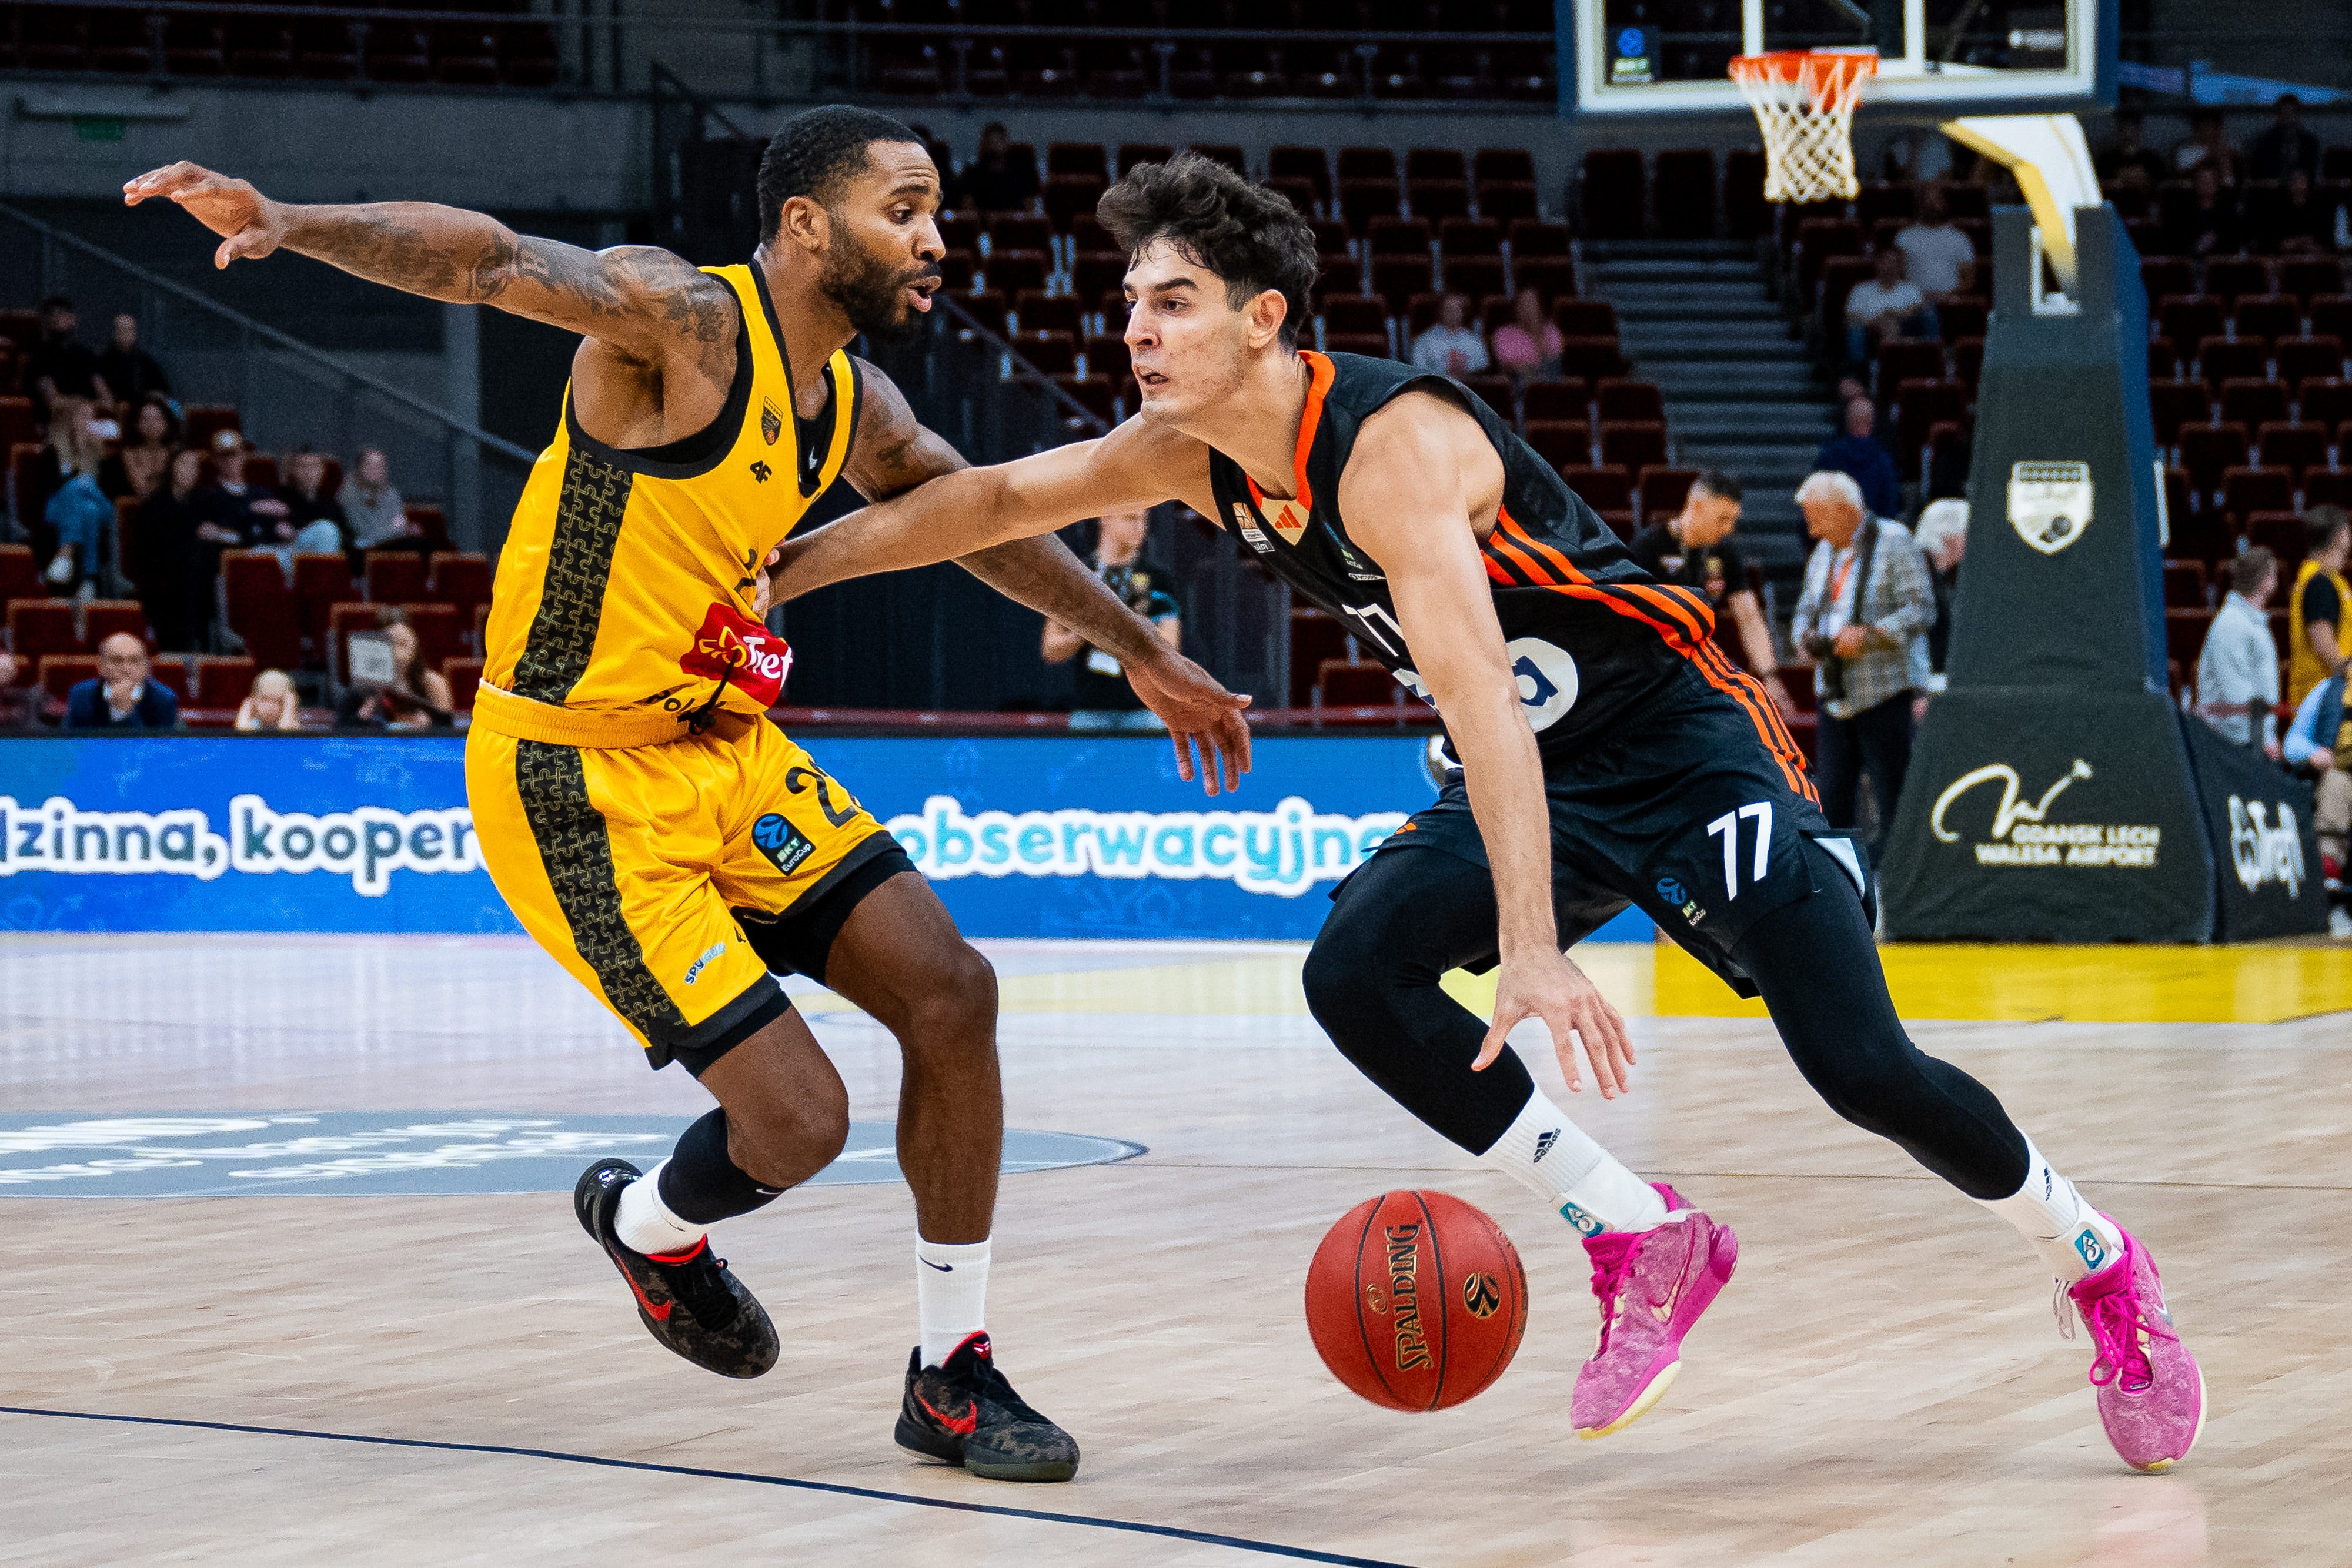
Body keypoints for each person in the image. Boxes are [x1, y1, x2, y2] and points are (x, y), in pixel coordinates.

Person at [767, 151, 2204, 1474]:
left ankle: (2098, 1265)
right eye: (1133, 300)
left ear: (1263, 319)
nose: (1136, 329)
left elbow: (1482, 711)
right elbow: (983, 504)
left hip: (1679, 748)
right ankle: (1636, 1232)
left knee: (1860, 1066)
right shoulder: (1184, 452)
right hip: (1534, 768)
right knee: (1354, 971)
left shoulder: (1391, 447)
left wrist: (1528, 944)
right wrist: (784, 570)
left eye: (1174, 301)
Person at [129, 106, 1248, 1484]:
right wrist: (289, 223)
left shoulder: (854, 404)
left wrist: (1140, 648)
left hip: (723, 746)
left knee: (953, 993)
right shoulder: (685, 324)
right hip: (573, 777)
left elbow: (979, 514)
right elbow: (488, 260)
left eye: (935, 214)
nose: (934, 242)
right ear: (805, 226)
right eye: (902, 211)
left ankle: (949, 1374)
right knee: (800, 1125)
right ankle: (649, 1229)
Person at [1789, 470, 1932, 864]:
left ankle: (1900, 882)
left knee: (1893, 796)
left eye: (1816, 517)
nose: (1812, 529)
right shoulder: (1824, 552)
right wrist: (1804, 639)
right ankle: (1840, 880)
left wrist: (1870, 634)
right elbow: (1803, 612)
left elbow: (1922, 610)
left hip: (1883, 693)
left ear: (1844, 511)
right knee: (1832, 797)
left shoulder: (1895, 540)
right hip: (1834, 694)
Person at [1626, 470, 1797, 721]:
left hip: (1697, 669)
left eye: (1733, 521)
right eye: (1722, 519)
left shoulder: (1725, 552)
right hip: (1652, 672)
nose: (1728, 529)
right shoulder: (1649, 546)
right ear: (1697, 506)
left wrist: (1770, 676)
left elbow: (1749, 616)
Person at [1041, 510, 1181, 730]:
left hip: (1144, 710)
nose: (1139, 527)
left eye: (1143, 520)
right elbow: (1051, 649)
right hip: (1091, 709)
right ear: (1105, 518)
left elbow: (1172, 648)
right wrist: (1087, 629)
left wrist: (1138, 627)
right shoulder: (1076, 574)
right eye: (1129, 518)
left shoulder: (1157, 578)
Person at [2196, 547, 2282, 754]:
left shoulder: (2251, 622)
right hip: (2236, 745)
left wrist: (2267, 736)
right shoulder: (2232, 624)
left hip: (2251, 741)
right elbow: (2235, 691)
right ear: (2265, 581)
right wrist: (2263, 740)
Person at [138, 447, 215, 652]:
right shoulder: (155, 504)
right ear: (172, 467)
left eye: (194, 466)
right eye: (184, 464)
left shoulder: (203, 503)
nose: (190, 470)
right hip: (161, 571)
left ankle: (198, 641)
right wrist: (193, 534)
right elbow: (153, 545)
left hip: (194, 576)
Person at [2280, 667, 2348, 893]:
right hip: (2339, 776)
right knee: (2336, 783)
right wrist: (2315, 753)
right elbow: (2292, 744)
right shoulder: (2329, 689)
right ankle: (2329, 867)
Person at [40, 401, 113, 594]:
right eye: (82, 415)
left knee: (85, 487)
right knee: (88, 508)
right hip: (60, 508)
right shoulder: (54, 451)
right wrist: (76, 467)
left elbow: (111, 493)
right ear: (71, 419)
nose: (86, 420)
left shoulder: (104, 455)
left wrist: (94, 455)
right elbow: (51, 486)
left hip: (101, 505)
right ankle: (89, 579)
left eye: (91, 416)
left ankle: (66, 552)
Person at [339, 606, 453, 730]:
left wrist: (429, 726)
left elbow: (449, 734)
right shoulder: (363, 687)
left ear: (415, 644)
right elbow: (341, 731)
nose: (397, 654)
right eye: (390, 645)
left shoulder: (434, 684)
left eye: (403, 644)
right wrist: (366, 711)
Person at [2288, 505, 2351, 708]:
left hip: (2327, 699)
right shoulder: (2320, 583)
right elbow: (2324, 645)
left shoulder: (2322, 579)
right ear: (2341, 536)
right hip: (2324, 704)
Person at [195, 429, 289, 561]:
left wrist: (284, 530)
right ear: (215, 460)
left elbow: (278, 524)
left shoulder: (260, 492)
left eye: (235, 454)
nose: (230, 461)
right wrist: (253, 508)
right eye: (224, 456)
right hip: (237, 559)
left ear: (244, 456)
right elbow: (217, 532)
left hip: (271, 553)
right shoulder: (209, 495)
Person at [62, 633, 179, 730]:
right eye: (117, 660)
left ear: (146, 668)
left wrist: (124, 711)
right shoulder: (81, 695)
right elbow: (73, 743)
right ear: (101, 666)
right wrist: (118, 710)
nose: (126, 668)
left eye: (134, 661)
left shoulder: (164, 699)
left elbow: (156, 747)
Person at [1813, 395, 1903, 519]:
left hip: (1836, 528)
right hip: (1874, 528)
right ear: (1871, 422)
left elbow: (1817, 499)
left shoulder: (1830, 456)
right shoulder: (1883, 460)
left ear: (1848, 422)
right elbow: (1889, 506)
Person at [1840, 246, 1930, 367]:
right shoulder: (1861, 290)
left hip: (1904, 329)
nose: (1890, 266)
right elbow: (1852, 316)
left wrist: (1893, 317)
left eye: (1894, 262)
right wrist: (1879, 322)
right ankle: (1859, 371)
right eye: (1886, 262)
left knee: (1926, 316)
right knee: (1856, 330)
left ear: (1900, 266)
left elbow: (1915, 310)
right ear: (1877, 264)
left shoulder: (1911, 290)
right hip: (1870, 331)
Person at [1910, 496, 1967, 688]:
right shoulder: (1916, 574)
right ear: (1948, 536)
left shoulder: (1950, 575)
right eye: (1967, 533)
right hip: (1921, 681)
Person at [24, 295, 109, 417]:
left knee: (110, 425)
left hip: (90, 417)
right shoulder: (40, 357)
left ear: (73, 319)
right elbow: (53, 402)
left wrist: (90, 408)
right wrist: (83, 407)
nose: (56, 318)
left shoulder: (87, 356)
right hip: (56, 420)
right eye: (51, 314)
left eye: (61, 313)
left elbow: (107, 399)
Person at [1893, 185, 1975, 298]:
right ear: (1920, 205)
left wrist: (1948, 295)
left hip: (1951, 300)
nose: (1931, 205)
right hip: (1914, 302)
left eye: (1936, 200)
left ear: (1945, 204)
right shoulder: (1904, 237)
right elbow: (1897, 276)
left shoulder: (1960, 239)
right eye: (1927, 200)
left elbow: (1969, 279)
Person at [99, 396, 180, 504]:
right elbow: (142, 491)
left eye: (157, 419)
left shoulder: (175, 453)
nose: (152, 425)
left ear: (167, 423)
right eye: (145, 419)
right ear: (137, 424)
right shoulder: (130, 453)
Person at [954, 123, 1038, 214]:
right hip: (983, 221)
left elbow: (1030, 209)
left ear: (1006, 144)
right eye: (991, 143)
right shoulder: (972, 175)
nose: (995, 147)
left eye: (999, 142)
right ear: (984, 145)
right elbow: (967, 208)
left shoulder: (1021, 175)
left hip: (1014, 221)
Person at [338, 447, 407, 551]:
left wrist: (393, 530)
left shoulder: (391, 493)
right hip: (360, 549)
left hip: (390, 546)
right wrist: (392, 530)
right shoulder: (348, 494)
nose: (375, 470)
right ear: (359, 468)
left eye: (380, 466)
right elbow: (364, 533)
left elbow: (400, 528)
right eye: (369, 465)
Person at [96, 312, 172, 407]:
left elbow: (162, 389)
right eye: (121, 330)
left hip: (142, 407)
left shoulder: (145, 361)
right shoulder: (104, 361)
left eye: (129, 330)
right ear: (115, 333)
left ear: (135, 333)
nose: (125, 335)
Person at [283, 449, 349, 557]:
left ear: (322, 471)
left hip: (322, 555)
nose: (308, 472)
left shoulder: (330, 502)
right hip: (290, 551)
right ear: (294, 470)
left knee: (327, 530)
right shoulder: (282, 496)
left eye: (314, 467)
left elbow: (344, 535)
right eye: (303, 467)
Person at [1489, 287, 1561, 383]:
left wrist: (1538, 333)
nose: (1528, 310)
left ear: (1540, 307)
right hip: (1516, 382)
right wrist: (1530, 368)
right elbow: (1509, 366)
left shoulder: (1551, 331)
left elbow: (1554, 362)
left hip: (1549, 382)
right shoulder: (1504, 333)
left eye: (1532, 304)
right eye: (1523, 305)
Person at [2170, 164, 2240, 259]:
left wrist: (2215, 241)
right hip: (2189, 260)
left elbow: (2234, 239)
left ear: (2217, 184)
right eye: (2203, 180)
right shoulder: (2183, 211)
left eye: (2211, 181)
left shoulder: (2228, 211)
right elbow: (2177, 240)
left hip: (2221, 260)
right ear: (2195, 183)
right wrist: (2196, 247)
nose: (2207, 185)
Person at [1411, 292, 1488, 378]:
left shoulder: (1474, 341)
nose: (1453, 314)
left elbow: (1482, 370)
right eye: (1448, 310)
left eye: (1457, 310)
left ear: (1463, 312)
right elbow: (1419, 371)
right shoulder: (1424, 341)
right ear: (1441, 312)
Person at [2249, 94, 2322, 183]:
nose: (2289, 118)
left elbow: (2313, 174)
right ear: (2278, 116)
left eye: (2293, 113)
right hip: (2272, 188)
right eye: (2286, 113)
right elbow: (2259, 175)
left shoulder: (2310, 143)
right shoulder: (2264, 143)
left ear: (2299, 116)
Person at [2093, 111, 2169, 190]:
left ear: (2139, 132)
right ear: (2119, 132)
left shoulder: (2153, 160)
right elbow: (2094, 185)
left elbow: (2166, 185)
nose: (2128, 134)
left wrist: (2149, 183)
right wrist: (2112, 184)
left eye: (2132, 130)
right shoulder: (2106, 160)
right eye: (2124, 130)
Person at [2171, 108, 2240, 183]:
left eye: (2213, 126)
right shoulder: (2185, 152)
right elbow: (2181, 176)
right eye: (2205, 126)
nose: (2208, 131)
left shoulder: (2229, 148)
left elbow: (2234, 179)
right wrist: (2209, 157)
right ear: (2197, 129)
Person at [235, 667, 306, 731]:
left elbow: (286, 731)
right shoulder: (253, 725)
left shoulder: (292, 724)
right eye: (265, 700)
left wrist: (290, 706)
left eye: (278, 701)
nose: (270, 707)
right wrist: (247, 704)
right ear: (254, 701)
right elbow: (242, 731)